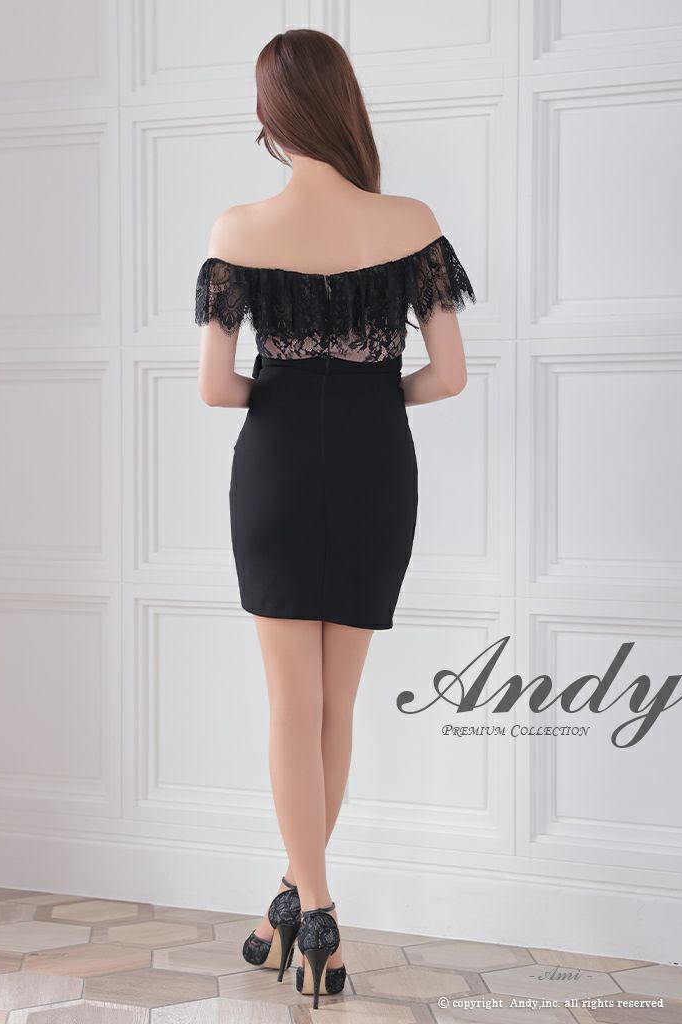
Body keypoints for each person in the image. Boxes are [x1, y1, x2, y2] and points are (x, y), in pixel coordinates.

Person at [195, 28, 475, 1011]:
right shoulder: (410, 222)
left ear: (271, 117)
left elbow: (216, 389)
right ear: (344, 104)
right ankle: (299, 903)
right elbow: (448, 374)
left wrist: (286, 390)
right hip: (374, 472)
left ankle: (310, 909)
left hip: (273, 471)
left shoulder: (239, 227)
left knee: (288, 706)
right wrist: (368, 398)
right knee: (334, 710)